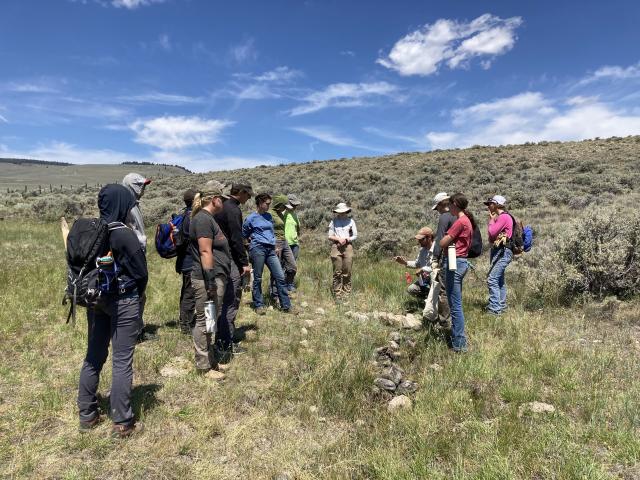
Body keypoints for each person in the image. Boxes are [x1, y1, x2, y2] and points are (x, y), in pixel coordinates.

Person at [77, 184, 148, 438]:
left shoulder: (92, 231)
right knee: (122, 361)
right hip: (123, 301)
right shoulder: (123, 233)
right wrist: (137, 295)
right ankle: (122, 420)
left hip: (96, 301)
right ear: (121, 204)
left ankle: (87, 414)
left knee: (93, 356)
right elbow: (141, 273)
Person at [188, 182, 232, 377]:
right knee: (204, 320)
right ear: (215, 200)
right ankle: (203, 366)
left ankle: (211, 360)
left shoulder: (208, 219)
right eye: (222, 199)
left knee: (210, 319)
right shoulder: (203, 220)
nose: (223, 202)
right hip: (207, 279)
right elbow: (205, 251)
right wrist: (211, 281)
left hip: (213, 278)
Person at [214, 183, 254, 359]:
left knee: (219, 301)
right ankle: (224, 344)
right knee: (230, 301)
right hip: (229, 260)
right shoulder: (233, 209)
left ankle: (216, 340)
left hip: (217, 259)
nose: (249, 198)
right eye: (248, 195)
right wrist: (244, 262)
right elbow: (236, 239)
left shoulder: (221, 207)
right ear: (241, 193)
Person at [242, 193, 293, 315]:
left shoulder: (269, 216)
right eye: (267, 203)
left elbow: (271, 232)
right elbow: (244, 235)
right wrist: (249, 248)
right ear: (260, 203)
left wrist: (274, 245)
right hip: (258, 249)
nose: (269, 206)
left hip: (270, 250)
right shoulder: (250, 218)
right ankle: (259, 304)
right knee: (258, 278)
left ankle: (286, 305)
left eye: (270, 204)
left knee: (280, 276)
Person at [438, 193, 476, 353]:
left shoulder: (460, 221)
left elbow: (442, 242)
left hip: (454, 262)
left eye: (450, 205)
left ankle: (459, 345)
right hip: (460, 261)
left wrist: (446, 238)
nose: (448, 208)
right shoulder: (466, 220)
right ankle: (458, 340)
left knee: (455, 305)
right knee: (455, 303)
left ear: (455, 204)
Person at [122, 173, 154, 343]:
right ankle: (133, 333)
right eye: (140, 185)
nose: (143, 189)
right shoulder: (125, 205)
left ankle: (136, 329)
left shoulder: (133, 204)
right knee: (135, 294)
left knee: (139, 294)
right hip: (132, 256)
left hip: (137, 253)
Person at [485, 195, 514, 315]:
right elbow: (491, 238)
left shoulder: (503, 217)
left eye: (490, 204)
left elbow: (491, 232)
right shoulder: (504, 217)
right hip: (500, 250)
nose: (488, 206)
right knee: (499, 280)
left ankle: (495, 310)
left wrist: (491, 220)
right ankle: (501, 306)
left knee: (492, 279)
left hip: (502, 251)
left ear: (497, 204)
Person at [430, 192, 455, 324]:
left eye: (437, 208)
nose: (437, 211)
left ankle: (445, 322)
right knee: (455, 289)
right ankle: (455, 320)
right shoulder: (459, 215)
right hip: (459, 255)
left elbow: (440, 239)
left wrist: (435, 258)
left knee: (444, 290)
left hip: (448, 255)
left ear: (441, 204)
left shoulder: (445, 217)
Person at [176, 189, 196, 335]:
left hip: (186, 261)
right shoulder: (191, 217)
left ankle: (184, 320)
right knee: (190, 293)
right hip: (191, 261)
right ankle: (186, 325)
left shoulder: (185, 215)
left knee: (187, 292)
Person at [269, 194, 297, 300]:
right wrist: (273, 243)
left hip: (284, 241)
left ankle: (284, 288)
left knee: (292, 266)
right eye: (284, 206)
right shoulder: (270, 214)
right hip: (275, 242)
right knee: (277, 269)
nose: (285, 208)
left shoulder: (281, 214)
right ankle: (275, 294)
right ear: (278, 204)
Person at [328, 202, 357, 300]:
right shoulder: (333, 221)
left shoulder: (351, 221)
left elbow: (355, 235)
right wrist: (338, 239)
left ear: (346, 211)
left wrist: (347, 239)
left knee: (347, 271)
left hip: (348, 246)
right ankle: (337, 293)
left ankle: (346, 293)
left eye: (344, 211)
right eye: (340, 212)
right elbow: (330, 235)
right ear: (337, 212)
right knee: (337, 272)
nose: (342, 213)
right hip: (336, 246)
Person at [394, 227, 434, 298]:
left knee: (432, 276)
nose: (419, 242)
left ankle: (434, 300)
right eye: (418, 239)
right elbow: (417, 264)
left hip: (434, 280)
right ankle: (427, 300)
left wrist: (423, 269)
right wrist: (404, 262)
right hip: (424, 279)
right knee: (411, 289)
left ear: (429, 238)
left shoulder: (437, 249)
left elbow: (437, 268)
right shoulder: (422, 250)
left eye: (421, 239)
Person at [284, 194, 302, 292]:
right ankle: (282, 285)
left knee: (293, 265)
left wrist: (296, 236)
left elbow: (298, 227)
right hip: (284, 243)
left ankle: (289, 284)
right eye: (293, 205)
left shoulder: (294, 214)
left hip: (294, 243)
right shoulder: (283, 213)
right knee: (283, 265)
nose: (295, 207)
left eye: (296, 205)